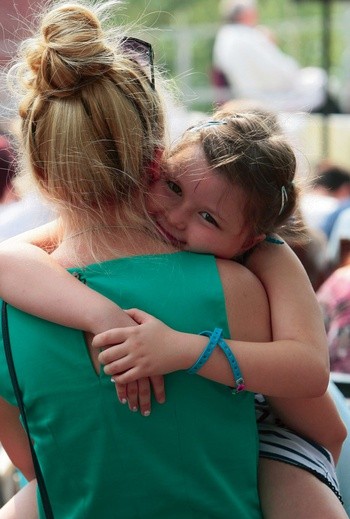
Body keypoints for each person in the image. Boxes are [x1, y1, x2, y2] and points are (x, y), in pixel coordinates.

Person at [0, 2, 292, 518]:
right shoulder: (238, 286)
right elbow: (312, 429)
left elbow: (39, 468)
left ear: (40, 170)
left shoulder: (9, 306)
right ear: (155, 155)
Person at [0, 104, 347, 519]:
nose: (176, 218)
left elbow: (311, 378)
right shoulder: (144, 217)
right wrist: (103, 315)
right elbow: (6, 257)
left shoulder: (269, 255)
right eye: (173, 187)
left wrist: (185, 349)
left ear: (248, 238)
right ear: (156, 166)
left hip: (274, 431)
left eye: (208, 218)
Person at [212, 0, 338, 113]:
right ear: (245, 14)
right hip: (268, 98)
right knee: (319, 80)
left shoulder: (224, 37)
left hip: (247, 96)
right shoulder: (249, 37)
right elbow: (283, 76)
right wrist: (270, 43)